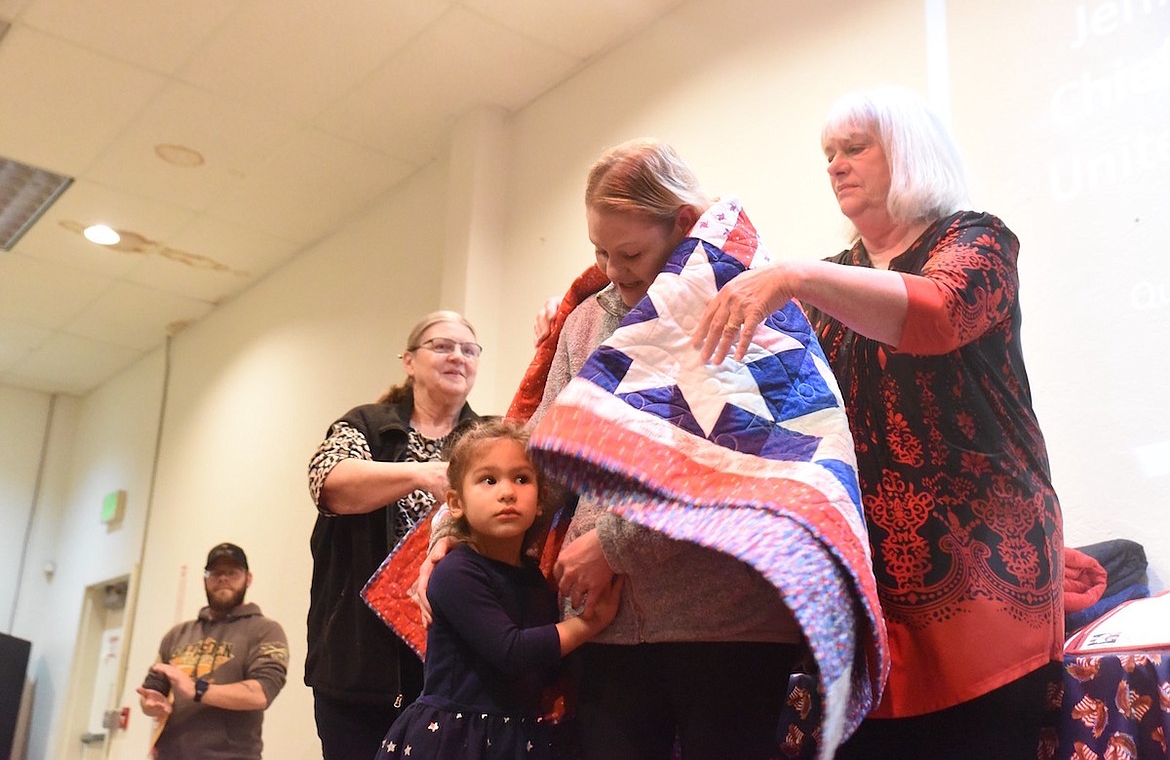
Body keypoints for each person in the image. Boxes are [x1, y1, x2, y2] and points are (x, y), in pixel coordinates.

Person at [694, 86, 1064, 758]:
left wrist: (794, 276)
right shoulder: (832, 277)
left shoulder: (975, 238)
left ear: (910, 153)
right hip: (875, 595)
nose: (835, 165)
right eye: (828, 154)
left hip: (984, 576)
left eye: (854, 148)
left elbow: (938, 312)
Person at [520, 139, 811, 760]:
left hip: (729, 624)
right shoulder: (585, 321)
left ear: (683, 224)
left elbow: (748, 468)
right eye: (599, 251)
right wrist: (456, 525)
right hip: (606, 626)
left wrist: (618, 544)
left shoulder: (745, 305)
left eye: (630, 252)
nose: (614, 269)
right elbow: (547, 455)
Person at [376, 419, 622, 760]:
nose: (507, 492)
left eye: (521, 479)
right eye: (488, 480)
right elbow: (512, 652)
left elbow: (544, 665)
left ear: (540, 500)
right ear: (456, 503)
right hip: (455, 739)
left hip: (514, 737)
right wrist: (588, 625)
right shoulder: (456, 572)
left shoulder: (534, 577)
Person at [306, 310, 484, 759]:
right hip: (360, 670)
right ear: (409, 361)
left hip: (457, 669)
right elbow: (331, 484)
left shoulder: (487, 439)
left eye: (469, 349)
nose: (457, 357)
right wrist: (421, 474)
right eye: (442, 346)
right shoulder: (367, 425)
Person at [136, 543, 289, 760]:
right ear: (205, 580)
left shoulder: (265, 630)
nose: (223, 578)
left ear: (248, 578)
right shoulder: (177, 634)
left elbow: (261, 693)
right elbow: (153, 690)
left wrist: (197, 690)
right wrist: (150, 704)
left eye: (232, 572)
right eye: (216, 572)